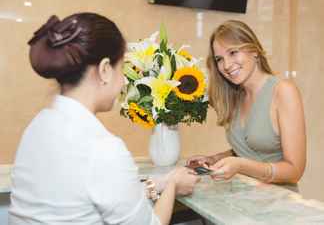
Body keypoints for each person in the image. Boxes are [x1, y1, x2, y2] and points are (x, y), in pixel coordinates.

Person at [9, 13, 200, 225]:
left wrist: (160, 183)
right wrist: (172, 185)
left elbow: (89, 193)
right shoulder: (102, 147)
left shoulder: (38, 126)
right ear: (105, 70)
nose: (123, 81)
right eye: (123, 68)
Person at [187, 20, 306, 191]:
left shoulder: (283, 91)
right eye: (219, 59)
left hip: (278, 205)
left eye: (233, 52)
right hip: (244, 200)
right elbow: (251, 149)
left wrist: (241, 166)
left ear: (254, 51)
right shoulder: (235, 96)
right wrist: (215, 159)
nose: (226, 65)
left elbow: (294, 171)